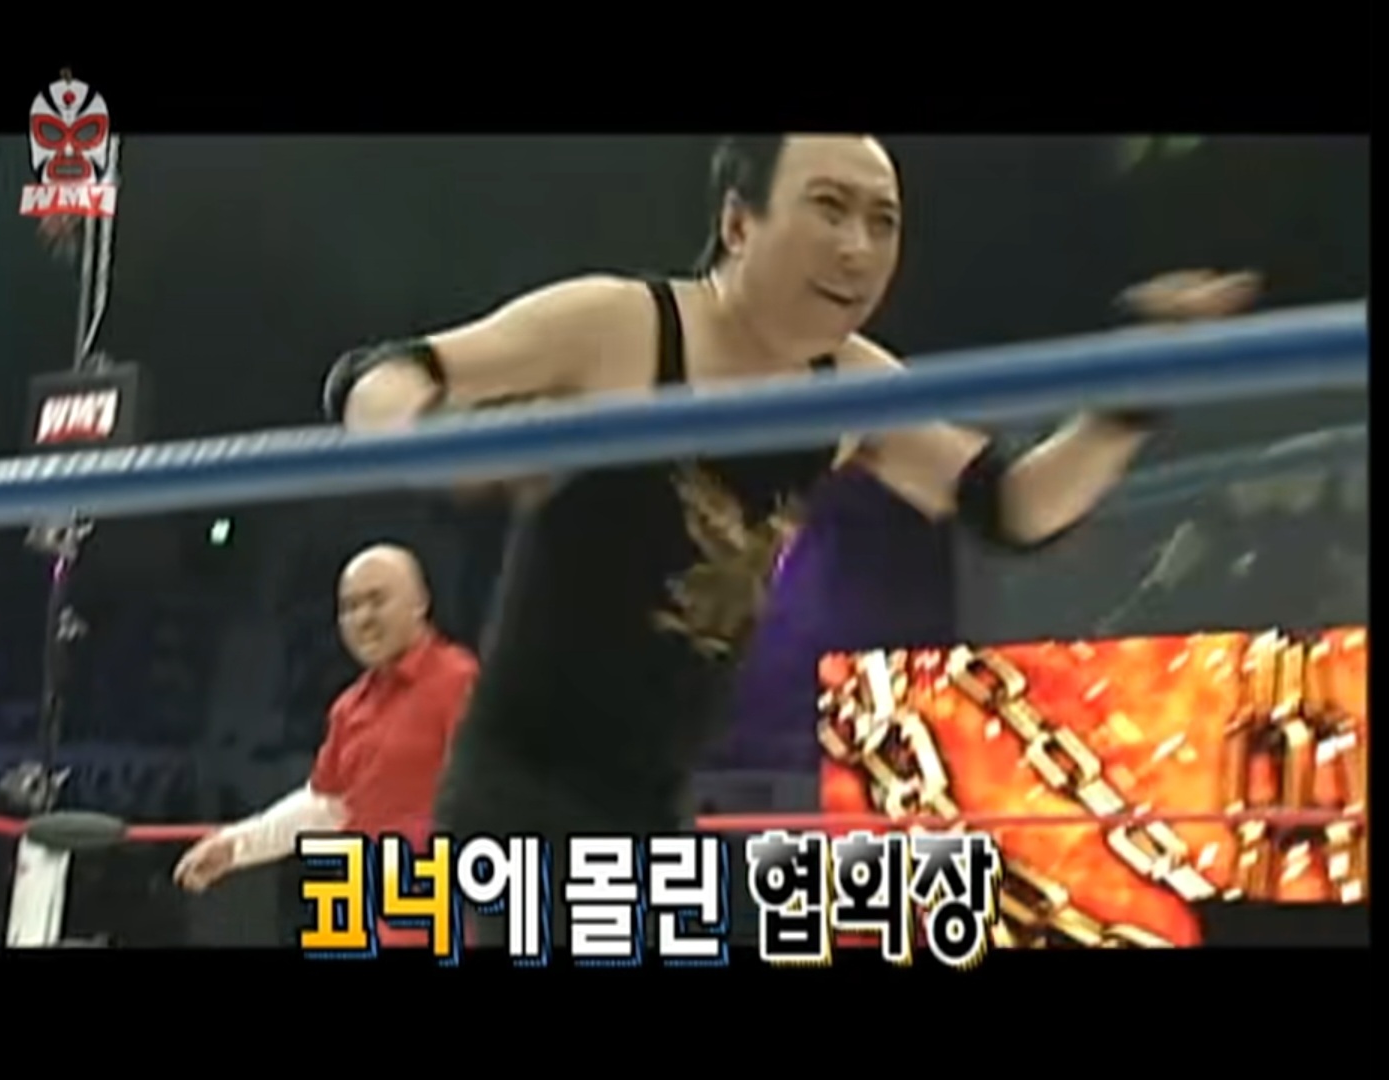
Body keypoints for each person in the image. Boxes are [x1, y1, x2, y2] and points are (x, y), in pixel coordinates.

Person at [321, 135, 1261, 948]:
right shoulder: (622, 328)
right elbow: (378, 374)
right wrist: (433, 435)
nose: (858, 248)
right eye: (829, 208)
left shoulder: (851, 384)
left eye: (883, 221)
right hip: (515, 802)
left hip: (654, 807)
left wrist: (1130, 403)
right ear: (739, 223)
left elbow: (1011, 507)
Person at [173, 544, 477, 948]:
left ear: (419, 603)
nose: (363, 618)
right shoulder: (351, 708)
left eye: (377, 600)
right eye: (349, 607)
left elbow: (492, 797)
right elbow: (326, 806)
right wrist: (234, 846)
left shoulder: (457, 681)